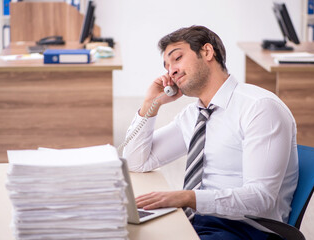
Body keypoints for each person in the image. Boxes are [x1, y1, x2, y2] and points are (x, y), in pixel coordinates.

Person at [123, 25, 298, 240]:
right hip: (201, 219)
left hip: (247, 228)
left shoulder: (259, 107)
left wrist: (188, 198)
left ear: (207, 52)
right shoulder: (194, 114)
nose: (171, 71)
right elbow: (135, 162)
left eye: (177, 58)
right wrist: (151, 103)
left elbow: (261, 199)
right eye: (167, 66)